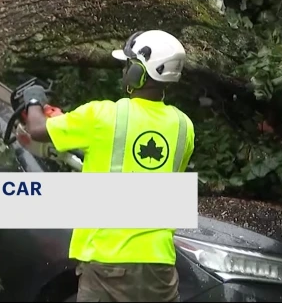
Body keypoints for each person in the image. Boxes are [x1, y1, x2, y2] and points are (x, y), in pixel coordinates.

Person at [20, 30, 196, 303]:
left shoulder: (103, 115)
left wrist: (33, 100)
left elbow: (37, 130)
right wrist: (69, 124)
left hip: (108, 259)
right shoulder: (184, 127)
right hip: (159, 264)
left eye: (128, 65)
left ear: (138, 71)